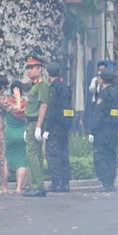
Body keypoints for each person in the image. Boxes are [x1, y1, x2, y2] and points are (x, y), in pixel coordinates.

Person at [90, 70, 118, 192]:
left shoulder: (104, 94)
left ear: (102, 80)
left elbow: (98, 113)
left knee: (99, 156)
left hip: (102, 130)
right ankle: (110, 183)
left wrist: (92, 131)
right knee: (111, 155)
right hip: (113, 129)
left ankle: (106, 181)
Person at [43, 62, 73, 193]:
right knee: (64, 153)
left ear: (48, 73)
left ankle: (56, 182)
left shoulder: (53, 88)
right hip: (64, 126)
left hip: (55, 126)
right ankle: (65, 183)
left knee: (53, 153)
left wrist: (47, 129)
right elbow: (69, 108)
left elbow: (52, 110)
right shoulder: (66, 87)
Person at [23, 56, 49, 197]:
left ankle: (38, 186)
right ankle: (36, 185)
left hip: (35, 122)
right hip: (30, 122)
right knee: (35, 155)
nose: (29, 70)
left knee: (32, 154)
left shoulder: (42, 84)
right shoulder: (34, 85)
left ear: (40, 69)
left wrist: (38, 126)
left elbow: (44, 105)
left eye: (32, 67)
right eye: (28, 68)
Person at [3, 81, 28, 193]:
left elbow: (16, 109)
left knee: (7, 160)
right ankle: (18, 188)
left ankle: (4, 187)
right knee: (22, 160)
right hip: (22, 132)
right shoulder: (25, 102)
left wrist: (16, 97)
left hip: (9, 132)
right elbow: (22, 111)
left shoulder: (7, 101)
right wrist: (19, 98)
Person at [87, 61, 107, 133]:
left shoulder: (108, 79)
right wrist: (96, 84)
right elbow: (91, 90)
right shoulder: (95, 79)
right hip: (95, 101)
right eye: (99, 70)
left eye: (102, 70)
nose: (101, 72)